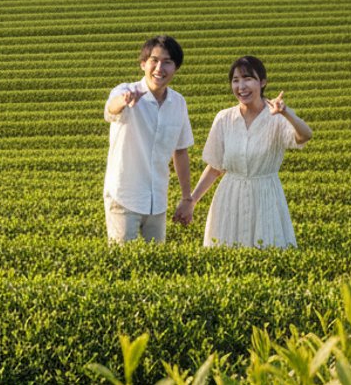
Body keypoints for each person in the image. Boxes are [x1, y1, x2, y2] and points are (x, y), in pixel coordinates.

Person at [177, 56, 312, 248]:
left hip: (265, 196)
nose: (241, 86)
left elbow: (304, 136)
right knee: (225, 252)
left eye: (248, 78)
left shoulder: (277, 117)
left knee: (268, 251)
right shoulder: (224, 118)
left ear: (262, 82)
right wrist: (192, 201)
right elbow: (215, 167)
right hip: (229, 197)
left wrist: (286, 113)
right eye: (235, 80)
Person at [102, 35, 195, 243]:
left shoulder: (178, 103)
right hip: (124, 196)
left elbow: (180, 151)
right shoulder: (126, 91)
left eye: (167, 62)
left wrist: (187, 198)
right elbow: (111, 109)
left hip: (157, 200)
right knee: (123, 263)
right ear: (143, 64)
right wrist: (124, 102)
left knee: (155, 264)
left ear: (175, 68)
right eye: (154, 60)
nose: (159, 68)